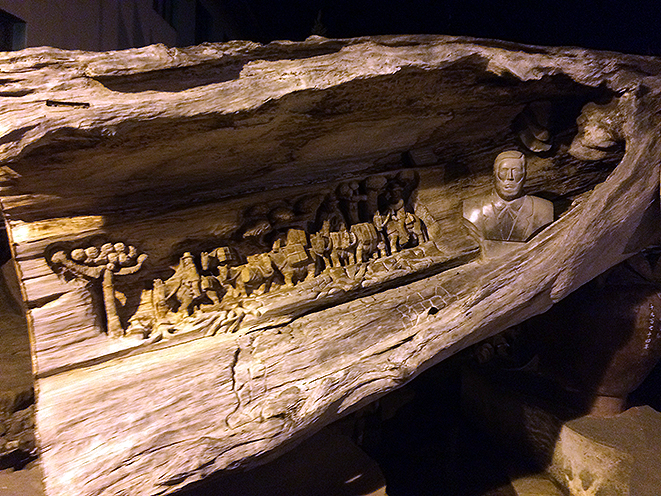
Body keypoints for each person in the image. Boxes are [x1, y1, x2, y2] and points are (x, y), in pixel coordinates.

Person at [463, 150, 553, 242]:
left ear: (525, 174)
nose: (510, 177)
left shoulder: (544, 209)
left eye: (516, 171)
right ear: (495, 173)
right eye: (504, 170)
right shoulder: (472, 209)